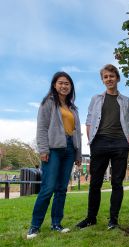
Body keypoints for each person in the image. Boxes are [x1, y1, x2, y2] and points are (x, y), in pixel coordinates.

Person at [76, 64, 129, 230]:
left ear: (117, 78)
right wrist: (92, 140)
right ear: (103, 80)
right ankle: (91, 218)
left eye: (112, 76)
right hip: (100, 142)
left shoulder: (127, 101)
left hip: (120, 143)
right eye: (105, 77)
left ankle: (113, 220)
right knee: (95, 183)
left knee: (117, 183)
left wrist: (128, 143)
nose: (109, 79)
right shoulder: (96, 99)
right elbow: (89, 121)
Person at [27, 72, 82, 239]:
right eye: (61, 83)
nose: (64, 86)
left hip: (70, 150)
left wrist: (78, 154)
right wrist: (43, 150)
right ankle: (34, 226)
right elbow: (42, 128)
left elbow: (77, 132)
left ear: (71, 87)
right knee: (48, 188)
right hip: (53, 149)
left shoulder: (73, 108)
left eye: (67, 83)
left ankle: (56, 224)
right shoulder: (48, 103)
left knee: (61, 189)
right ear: (54, 85)